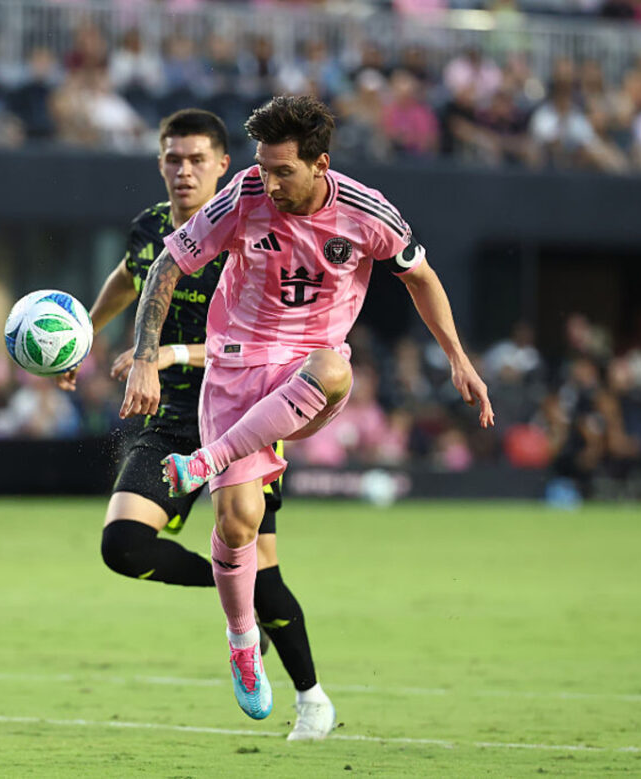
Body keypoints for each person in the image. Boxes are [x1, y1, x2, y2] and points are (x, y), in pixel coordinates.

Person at [120, 96, 493, 721]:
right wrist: (141, 355)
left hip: (306, 369)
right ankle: (243, 642)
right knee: (238, 523)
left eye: (283, 171)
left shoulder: (367, 213)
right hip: (235, 368)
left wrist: (458, 357)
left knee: (335, 366)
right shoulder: (241, 196)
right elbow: (167, 264)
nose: (269, 182)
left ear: (320, 164)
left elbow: (421, 278)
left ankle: (205, 460)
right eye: (263, 168)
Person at [59, 109, 335, 741]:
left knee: (263, 571)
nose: (182, 171)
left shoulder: (246, 233)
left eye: (195, 160)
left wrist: (165, 355)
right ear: (159, 163)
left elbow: (269, 344)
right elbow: (130, 280)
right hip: (165, 419)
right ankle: (232, 600)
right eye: (171, 159)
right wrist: (81, 337)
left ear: (222, 167)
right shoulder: (152, 228)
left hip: (240, 413)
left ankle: (312, 698)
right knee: (122, 547)